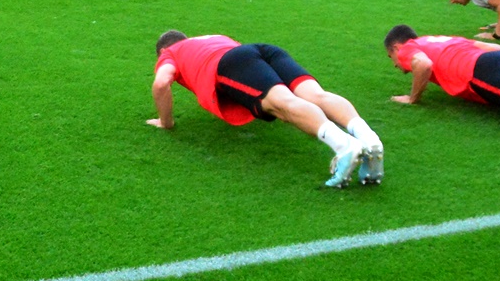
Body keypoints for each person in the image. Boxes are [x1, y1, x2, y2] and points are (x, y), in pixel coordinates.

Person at [150, 31, 383, 187]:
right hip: (262, 50)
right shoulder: (210, 37)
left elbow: (161, 83)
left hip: (230, 63)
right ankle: (369, 138)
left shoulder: (171, 53)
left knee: (284, 105)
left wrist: (165, 122)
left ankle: (345, 147)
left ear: (162, 51)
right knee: (316, 95)